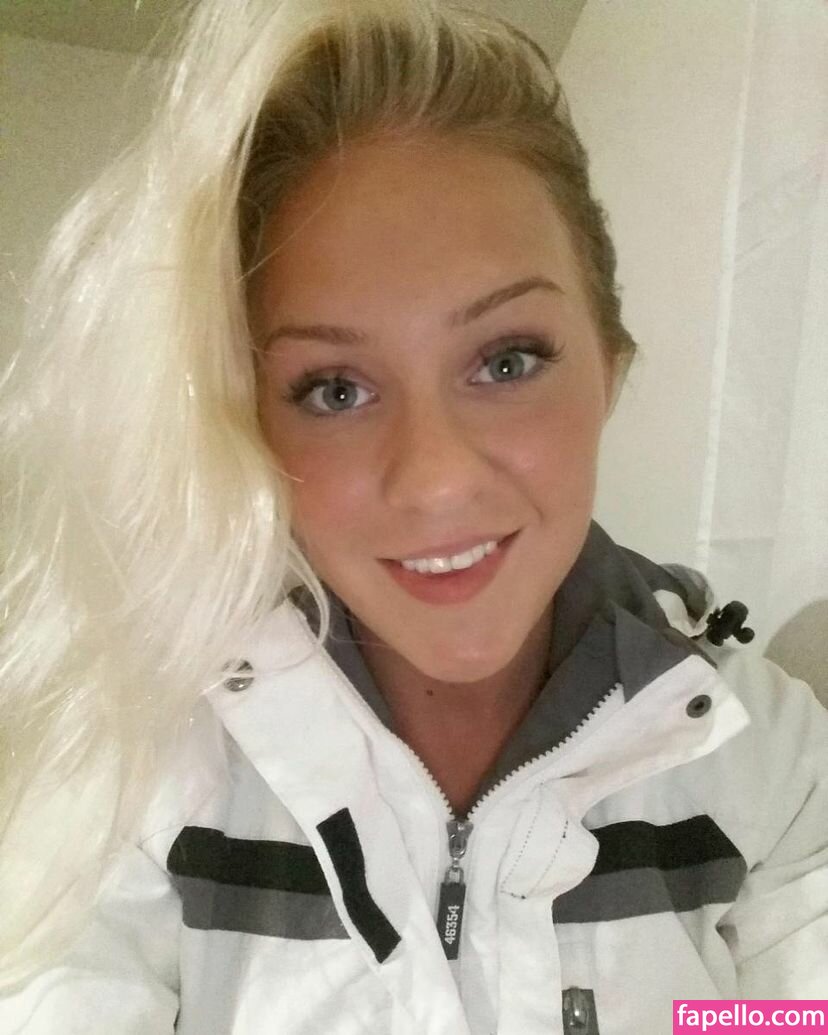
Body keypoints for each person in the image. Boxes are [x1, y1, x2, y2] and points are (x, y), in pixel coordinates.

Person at [0, 0, 826, 1032]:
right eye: (335, 389)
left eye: (507, 361)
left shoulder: (772, 762)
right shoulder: (135, 766)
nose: (433, 479)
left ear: (610, 368)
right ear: (246, 421)